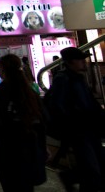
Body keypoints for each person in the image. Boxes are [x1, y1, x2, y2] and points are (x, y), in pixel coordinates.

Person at [0, 54, 47, 192]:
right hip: (30, 148)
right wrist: (43, 146)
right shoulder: (31, 92)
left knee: (11, 186)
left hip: (8, 151)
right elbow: (42, 121)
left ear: (3, 71)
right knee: (27, 187)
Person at [50, 47, 105, 192]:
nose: (84, 62)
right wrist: (70, 124)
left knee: (96, 165)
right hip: (79, 130)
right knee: (92, 168)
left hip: (89, 128)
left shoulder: (78, 78)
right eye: (81, 60)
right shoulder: (63, 79)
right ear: (71, 62)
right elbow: (58, 105)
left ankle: (74, 178)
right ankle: (70, 177)